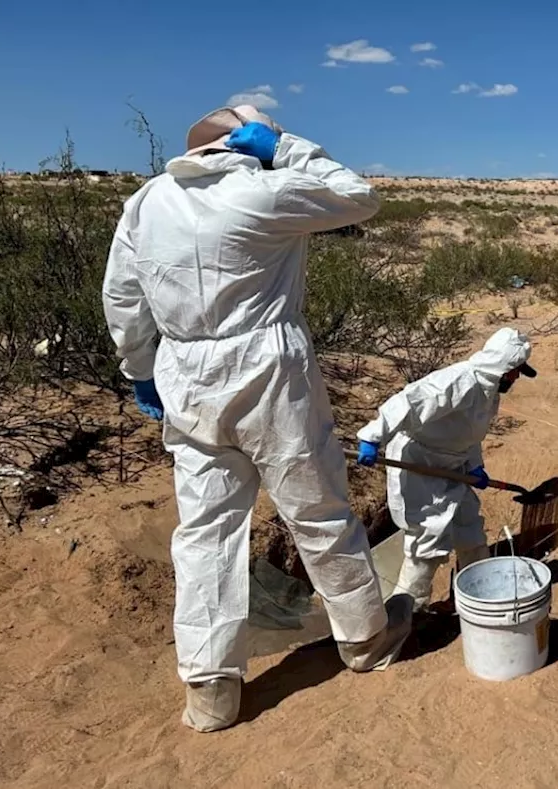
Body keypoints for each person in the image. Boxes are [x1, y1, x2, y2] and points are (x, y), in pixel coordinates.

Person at [102, 105, 413, 734]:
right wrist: (288, 144)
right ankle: (364, 637)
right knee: (314, 503)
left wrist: (140, 367)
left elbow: (122, 293)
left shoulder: (146, 201)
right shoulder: (264, 190)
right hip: (268, 366)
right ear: (246, 143)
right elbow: (359, 195)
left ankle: (210, 686)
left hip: (184, 371)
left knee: (206, 527)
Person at [355, 328, 536, 612]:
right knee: (426, 539)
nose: (515, 378)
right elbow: (408, 401)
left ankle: (478, 593)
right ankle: (407, 612)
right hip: (419, 465)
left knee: (470, 529)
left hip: (454, 465)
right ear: (502, 366)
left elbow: (469, 434)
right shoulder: (459, 381)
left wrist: (475, 467)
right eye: (514, 371)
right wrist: (372, 436)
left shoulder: (489, 391)